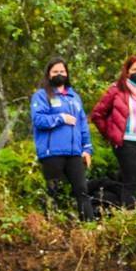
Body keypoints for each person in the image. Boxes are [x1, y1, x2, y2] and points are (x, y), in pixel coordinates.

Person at [91, 56, 136, 209]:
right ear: (127, 72)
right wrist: (111, 134)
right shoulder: (117, 89)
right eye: (134, 69)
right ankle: (128, 213)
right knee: (131, 181)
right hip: (126, 142)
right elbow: (97, 114)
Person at [31, 58, 94, 221]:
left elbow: (82, 124)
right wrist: (61, 118)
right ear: (48, 74)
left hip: (74, 153)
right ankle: (50, 227)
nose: (59, 74)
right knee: (53, 192)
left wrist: (87, 149)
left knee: (82, 190)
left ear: (67, 74)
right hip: (52, 152)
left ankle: (90, 227)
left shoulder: (74, 97)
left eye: (62, 71)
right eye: (55, 71)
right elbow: (38, 119)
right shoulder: (41, 95)